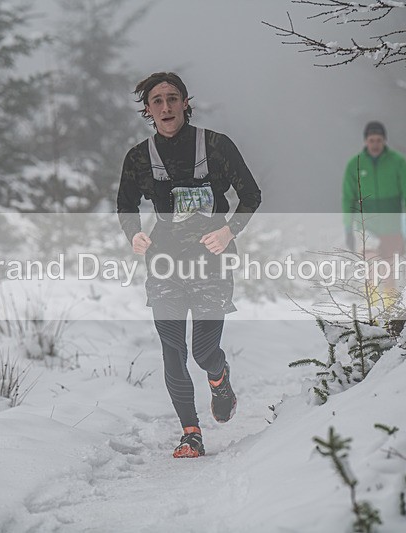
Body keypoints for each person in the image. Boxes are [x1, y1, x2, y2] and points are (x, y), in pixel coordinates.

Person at [117, 72, 261, 458]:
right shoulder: (138, 157)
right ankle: (190, 432)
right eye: (157, 100)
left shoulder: (216, 146)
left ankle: (218, 375)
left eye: (172, 98)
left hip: (211, 261)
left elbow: (251, 195)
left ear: (185, 103)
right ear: (148, 110)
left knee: (202, 352)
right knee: (172, 349)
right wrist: (134, 235)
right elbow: (126, 205)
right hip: (164, 263)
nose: (166, 106)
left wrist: (229, 231)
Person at [342, 121, 406, 293]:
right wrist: (348, 229)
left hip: (392, 227)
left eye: (379, 140)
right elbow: (347, 199)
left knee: (388, 272)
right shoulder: (355, 164)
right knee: (371, 270)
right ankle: (372, 308)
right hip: (366, 227)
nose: (375, 145)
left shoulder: (398, 162)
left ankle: (390, 307)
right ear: (365, 141)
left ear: (384, 141)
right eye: (371, 140)